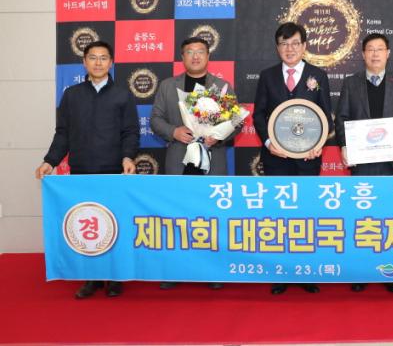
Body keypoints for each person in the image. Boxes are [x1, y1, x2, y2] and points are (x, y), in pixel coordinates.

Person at [35, 40, 139, 299]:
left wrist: (128, 157)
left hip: (113, 171)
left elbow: (130, 132)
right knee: (89, 225)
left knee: (114, 223)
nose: (98, 62)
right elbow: (63, 133)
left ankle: (115, 278)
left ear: (111, 63)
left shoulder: (122, 95)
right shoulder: (72, 95)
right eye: (93, 57)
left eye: (103, 58)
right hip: (82, 171)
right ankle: (92, 278)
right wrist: (50, 160)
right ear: (84, 62)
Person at [151, 37, 240, 290]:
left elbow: (236, 121)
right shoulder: (168, 86)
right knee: (178, 217)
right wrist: (173, 131)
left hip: (213, 160)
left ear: (208, 56)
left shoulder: (222, 86)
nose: (195, 56)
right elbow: (155, 119)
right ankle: (176, 270)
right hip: (179, 160)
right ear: (182, 57)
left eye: (200, 51)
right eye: (189, 52)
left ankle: (214, 271)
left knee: (212, 217)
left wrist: (219, 135)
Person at [252, 22, 333, 295]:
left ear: (304, 46)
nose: (290, 49)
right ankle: (281, 272)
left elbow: (325, 116)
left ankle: (305, 270)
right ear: (277, 48)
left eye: (295, 43)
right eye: (284, 44)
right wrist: (268, 142)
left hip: (307, 159)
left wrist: (319, 144)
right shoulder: (267, 76)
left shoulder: (318, 75)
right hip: (276, 159)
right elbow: (259, 115)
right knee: (279, 216)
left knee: (306, 215)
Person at [335, 33, 393, 294]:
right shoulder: (351, 83)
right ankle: (362, 271)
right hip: (364, 164)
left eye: (379, 49)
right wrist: (345, 145)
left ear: (388, 53)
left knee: (390, 219)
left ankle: (390, 271)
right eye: (370, 49)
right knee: (364, 220)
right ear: (362, 54)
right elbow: (342, 118)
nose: (375, 54)